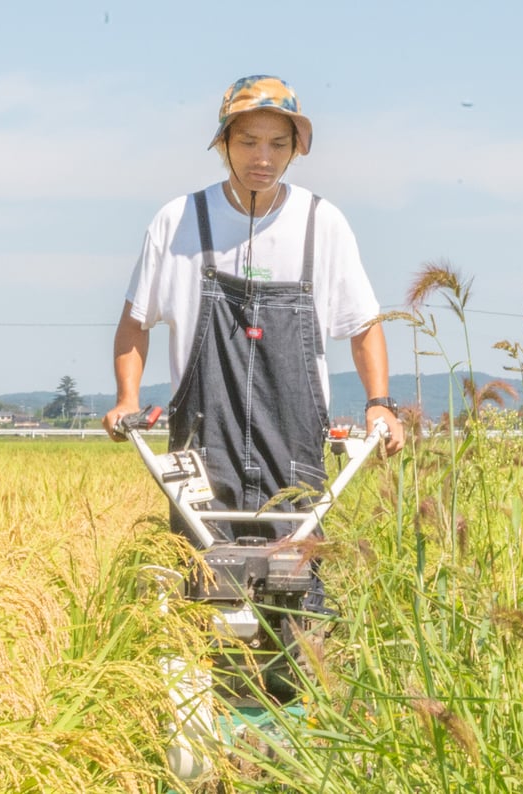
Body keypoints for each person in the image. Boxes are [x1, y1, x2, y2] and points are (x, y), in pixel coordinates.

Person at [103, 74, 405, 550]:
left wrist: (379, 403)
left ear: (296, 149)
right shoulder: (179, 222)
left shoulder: (321, 224)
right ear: (223, 142)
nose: (263, 158)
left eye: (278, 144)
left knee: (296, 582)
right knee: (203, 580)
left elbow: (363, 325)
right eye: (248, 142)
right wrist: (127, 398)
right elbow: (135, 322)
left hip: (294, 454)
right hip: (202, 449)